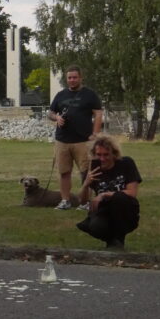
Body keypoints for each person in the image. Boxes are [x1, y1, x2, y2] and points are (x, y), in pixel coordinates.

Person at [48, 65, 102, 210]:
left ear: (80, 78)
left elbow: (98, 113)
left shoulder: (90, 95)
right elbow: (50, 113)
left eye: (75, 77)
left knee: (86, 173)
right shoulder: (60, 95)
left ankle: (85, 202)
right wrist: (57, 117)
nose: (72, 80)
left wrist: (95, 134)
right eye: (69, 78)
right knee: (64, 172)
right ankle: (65, 201)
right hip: (62, 140)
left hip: (83, 140)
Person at [75, 136, 141, 249]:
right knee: (95, 227)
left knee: (119, 197)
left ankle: (118, 238)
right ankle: (113, 241)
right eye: (98, 155)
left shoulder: (126, 163)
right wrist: (86, 184)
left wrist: (104, 194)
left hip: (126, 209)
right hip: (104, 210)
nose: (102, 159)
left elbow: (132, 192)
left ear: (114, 154)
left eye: (106, 155)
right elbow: (83, 201)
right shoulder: (93, 169)